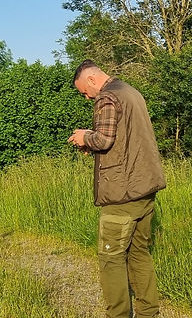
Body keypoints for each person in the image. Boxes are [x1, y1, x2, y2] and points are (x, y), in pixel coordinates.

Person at [68, 60, 166, 318]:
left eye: (84, 91)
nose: (87, 97)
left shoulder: (106, 97)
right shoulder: (131, 92)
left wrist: (84, 137)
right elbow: (121, 139)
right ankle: (148, 312)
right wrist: (93, 139)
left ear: (91, 79)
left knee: (110, 259)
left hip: (122, 194)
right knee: (139, 253)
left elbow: (103, 139)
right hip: (144, 188)